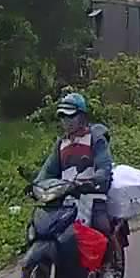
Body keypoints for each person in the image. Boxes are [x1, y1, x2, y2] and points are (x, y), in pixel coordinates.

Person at [35, 92, 113, 235]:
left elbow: (104, 166)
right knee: (42, 229)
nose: (66, 121)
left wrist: (94, 180)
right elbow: (48, 170)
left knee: (102, 227)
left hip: (92, 195)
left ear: (82, 117)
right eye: (63, 116)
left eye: (71, 116)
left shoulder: (95, 138)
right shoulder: (61, 144)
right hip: (65, 198)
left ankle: (112, 249)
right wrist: (36, 185)